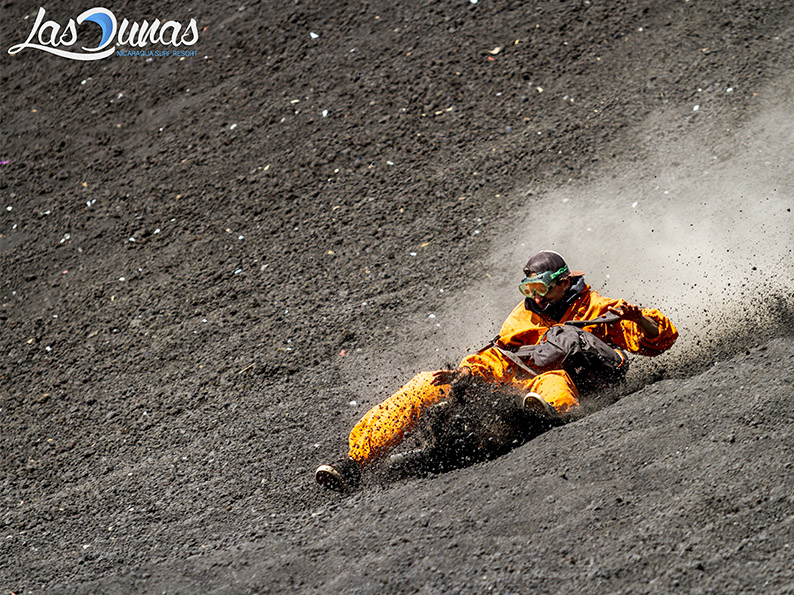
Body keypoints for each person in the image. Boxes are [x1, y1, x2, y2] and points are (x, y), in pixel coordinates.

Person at [315, 250, 678, 491]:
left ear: (564, 283)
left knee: (553, 378)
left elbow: (660, 341)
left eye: (541, 288)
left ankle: (554, 418)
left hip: (583, 382)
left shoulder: (600, 308)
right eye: (528, 288)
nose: (534, 296)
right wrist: (468, 373)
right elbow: (502, 357)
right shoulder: (521, 319)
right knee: (425, 384)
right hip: (526, 387)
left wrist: (639, 318)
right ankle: (355, 461)